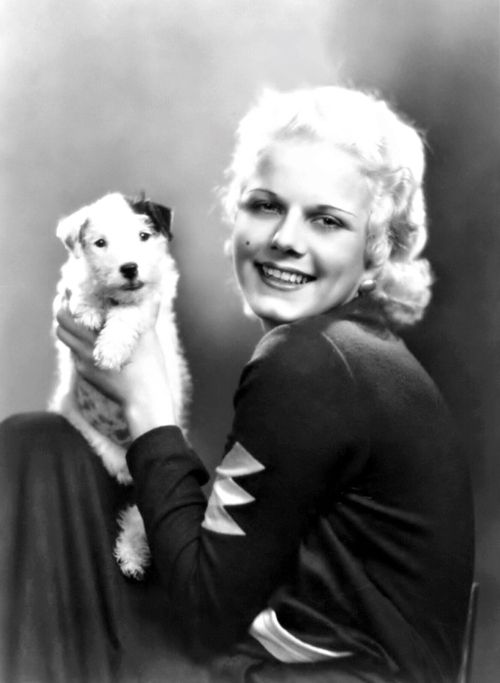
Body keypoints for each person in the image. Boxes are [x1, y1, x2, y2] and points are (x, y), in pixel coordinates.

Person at [0, 86, 474, 683]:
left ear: (374, 251)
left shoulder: (309, 360)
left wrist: (147, 405)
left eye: (326, 220)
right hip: (292, 655)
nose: (284, 239)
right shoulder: (359, 352)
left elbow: (205, 614)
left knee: (33, 463)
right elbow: (237, 561)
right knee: (44, 448)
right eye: (265, 205)